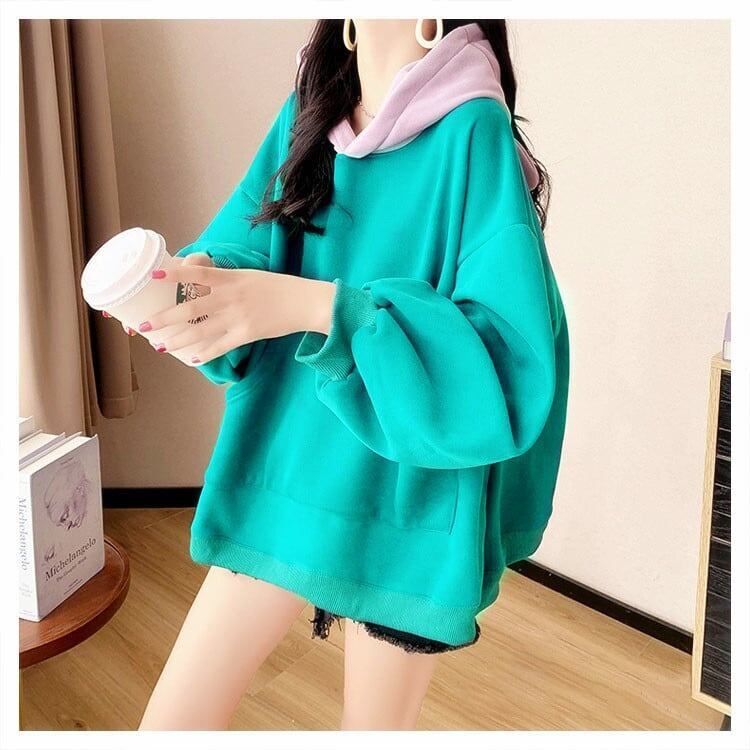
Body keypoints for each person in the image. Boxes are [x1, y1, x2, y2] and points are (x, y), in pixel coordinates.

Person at [115, 18, 569, 731]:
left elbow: (506, 357)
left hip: (403, 498)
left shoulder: (472, 127)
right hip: (286, 468)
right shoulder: (312, 107)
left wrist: (318, 306)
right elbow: (248, 238)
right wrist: (200, 282)